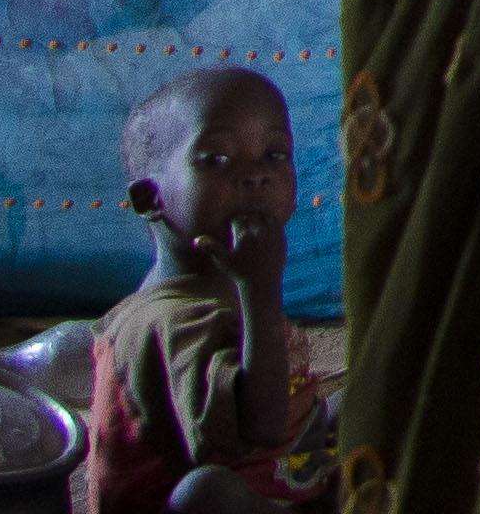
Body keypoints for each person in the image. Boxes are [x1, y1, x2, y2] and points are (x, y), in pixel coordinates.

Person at [90, 65, 328, 514]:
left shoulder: (212, 286)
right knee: (206, 494)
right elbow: (259, 428)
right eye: (216, 159)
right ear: (150, 199)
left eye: (274, 155)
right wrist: (261, 290)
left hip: (269, 471)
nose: (255, 176)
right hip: (206, 490)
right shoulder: (176, 319)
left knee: (359, 403)